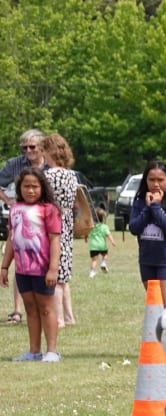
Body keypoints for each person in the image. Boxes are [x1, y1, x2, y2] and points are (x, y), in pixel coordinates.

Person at [0, 167, 62, 362]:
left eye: (35, 186)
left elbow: (54, 240)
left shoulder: (49, 210)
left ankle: (51, 351)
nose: (31, 190)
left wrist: (53, 269)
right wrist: (4, 266)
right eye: (26, 186)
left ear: (42, 187)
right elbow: (11, 239)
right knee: (30, 309)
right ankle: (34, 351)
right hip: (22, 269)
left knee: (46, 308)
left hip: (43, 270)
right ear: (19, 188)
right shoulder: (15, 209)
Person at [0, 129, 46, 325]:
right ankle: (18, 310)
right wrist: (9, 200)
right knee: (21, 262)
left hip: (45, 219)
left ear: (42, 146)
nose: (28, 150)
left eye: (32, 147)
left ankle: (47, 309)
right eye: (25, 147)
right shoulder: (15, 164)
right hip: (21, 219)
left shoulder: (50, 164)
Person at [129, 160, 166, 307]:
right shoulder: (139, 201)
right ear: (145, 180)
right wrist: (147, 208)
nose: (156, 184)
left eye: (160, 180)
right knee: (154, 304)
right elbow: (134, 228)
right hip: (147, 260)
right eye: (151, 180)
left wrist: (156, 206)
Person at [40, 133, 79, 327]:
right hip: (67, 221)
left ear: (50, 152)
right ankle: (69, 316)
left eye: (43, 151)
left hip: (52, 222)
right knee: (64, 273)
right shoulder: (72, 175)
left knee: (54, 273)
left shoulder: (47, 176)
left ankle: (59, 318)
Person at [86, 205, 116, 278]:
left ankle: (92, 273)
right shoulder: (104, 227)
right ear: (103, 218)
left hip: (93, 246)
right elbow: (109, 235)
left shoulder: (92, 227)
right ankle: (103, 263)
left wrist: (85, 238)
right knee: (105, 255)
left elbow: (87, 232)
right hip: (102, 245)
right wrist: (112, 241)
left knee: (94, 260)